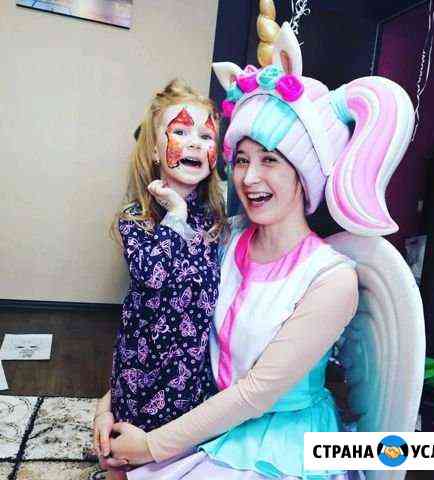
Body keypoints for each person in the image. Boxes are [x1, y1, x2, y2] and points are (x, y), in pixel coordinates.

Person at [96, 23, 413, 480]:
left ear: (305, 173)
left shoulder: (331, 279)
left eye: (270, 160)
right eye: (242, 159)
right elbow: (157, 323)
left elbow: (256, 393)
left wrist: (150, 445)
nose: (248, 177)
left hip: (283, 442)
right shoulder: (223, 239)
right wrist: (111, 404)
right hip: (208, 414)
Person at [92, 79, 227, 479]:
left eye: (206, 136)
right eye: (180, 132)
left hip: (191, 370)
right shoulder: (135, 218)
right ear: (154, 150)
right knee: (123, 458)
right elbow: (152, 276)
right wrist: (175, 216)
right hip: (143, 367)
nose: (194, 143)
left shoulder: (214, 221)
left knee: (172, 457)